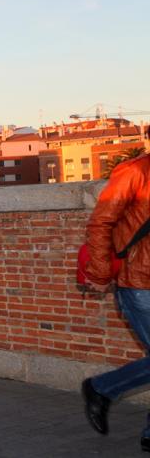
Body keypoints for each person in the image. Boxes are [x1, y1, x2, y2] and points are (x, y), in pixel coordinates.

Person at [81, 126, 150, 452]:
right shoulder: (135, 171)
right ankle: (102, 387)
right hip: (140, 281)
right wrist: (99, 271)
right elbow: (100, 222)